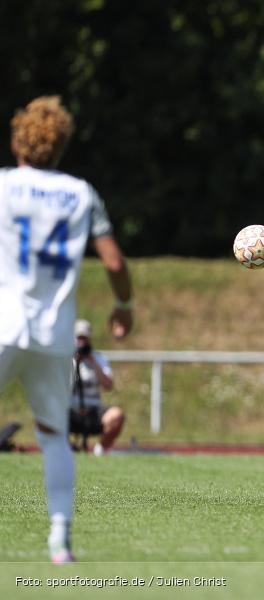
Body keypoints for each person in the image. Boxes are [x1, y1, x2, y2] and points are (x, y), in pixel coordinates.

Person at [0, 96, 133, 563]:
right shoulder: (81, 193)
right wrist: (124, 305)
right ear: (60, 146)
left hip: (3, 324)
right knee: (53, 435)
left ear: (17, 141)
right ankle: (60, 540)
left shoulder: (3, 186)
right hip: (54, 334)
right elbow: (114, 262)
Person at [70, 319, 126, 456]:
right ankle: (65, 448)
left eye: (84, 338)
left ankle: (100, 450)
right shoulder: (65, 360)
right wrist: (75, 363)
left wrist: (93, 362)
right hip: (71, 409)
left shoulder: (99, 359)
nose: (81, 342)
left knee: (117, 415)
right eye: (79, 338)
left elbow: (108, 385)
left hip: (93, 411)